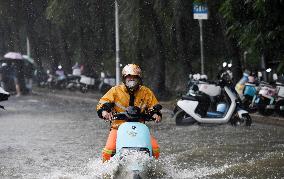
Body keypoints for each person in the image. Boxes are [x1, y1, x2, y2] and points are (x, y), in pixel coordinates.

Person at [96, 64, 162, 162]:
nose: (131, 79)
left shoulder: (146, 92)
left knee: (155, 148)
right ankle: (106, 172)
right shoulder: (115, 90)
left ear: (139, 79)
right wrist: (104, 111)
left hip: (140, 129)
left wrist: (156, 115)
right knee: (108, 150)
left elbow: (154, 106)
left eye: (134, 77)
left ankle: (153, 169)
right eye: (129, 77)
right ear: (124, 78)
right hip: (118, 129)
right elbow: (102, 103)